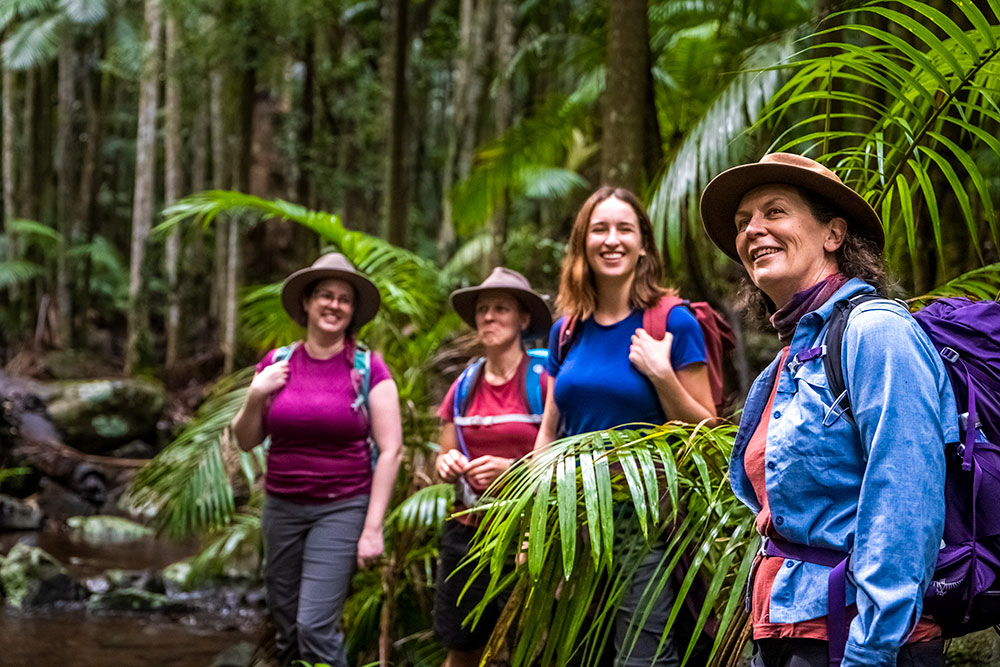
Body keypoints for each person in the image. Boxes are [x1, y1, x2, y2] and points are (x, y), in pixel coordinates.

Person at [700, 152, 958, 667]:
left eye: (774, 212)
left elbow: (905, 495)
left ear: (833, 234)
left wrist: (872, 645)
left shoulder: (876, 332)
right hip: (788, 629)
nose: (753, 230)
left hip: (859, 639)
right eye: (742, 222)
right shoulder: (787, 363)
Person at [534, 186, 717, 667]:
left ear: (643, 245)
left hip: (647, 519)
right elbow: (550, 429)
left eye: (624, 229)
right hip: (571, 519)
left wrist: (661, 375)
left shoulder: (673, 322)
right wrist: (534, 516)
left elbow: (709, 430)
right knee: (574, 653)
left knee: (642, 655)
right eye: (600, 229)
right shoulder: (566, 329)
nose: (611, 240)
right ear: (582, 243)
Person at [229, 252, 403, 667]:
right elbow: (246, 438)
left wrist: (372, 529)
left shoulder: (367, 368)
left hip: (341, 508)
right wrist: (256, 394)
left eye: (344, 299)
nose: (334, 305)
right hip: (282, 507)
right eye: (325, 295)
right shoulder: (276, 364)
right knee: (288, 627)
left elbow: (392, 448)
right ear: (307, 302)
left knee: (313, 626)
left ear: (353, 312)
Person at [433, 267, 552, 667]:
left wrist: (513, 469)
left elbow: (567, 456)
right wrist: (448, 463)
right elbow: (445, 455)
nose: (489, 316)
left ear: (522, 320)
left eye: (501, 308)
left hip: (529, 534)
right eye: (483, 309)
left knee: (532, 645)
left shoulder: (544, 379)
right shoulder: (464, 385)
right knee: (462, 643)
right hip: (468, 533)